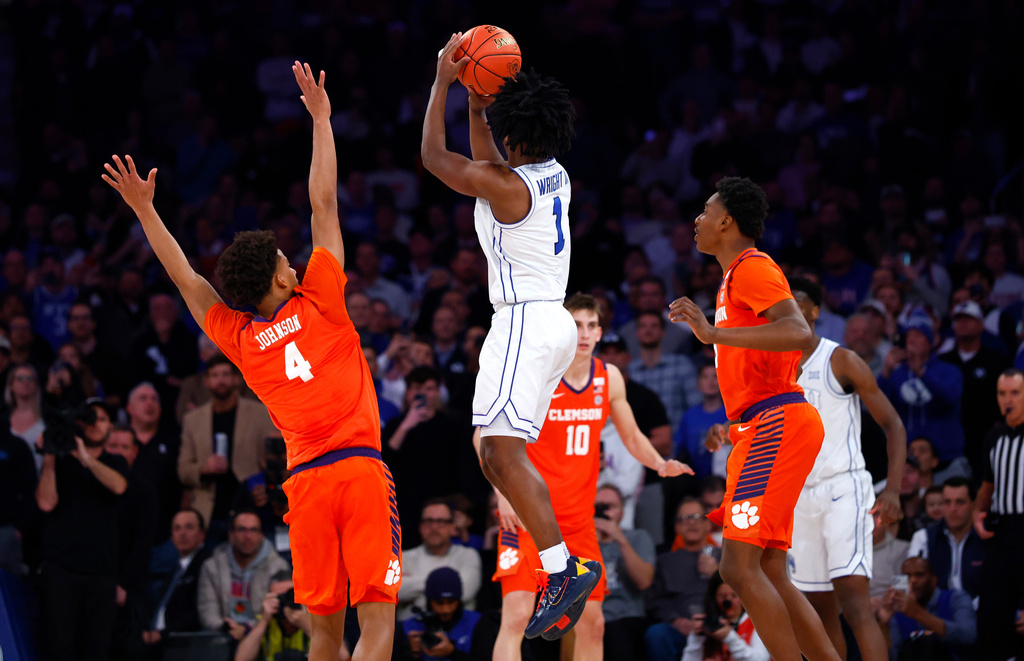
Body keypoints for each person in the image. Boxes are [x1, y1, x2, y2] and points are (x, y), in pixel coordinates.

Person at [102, 61, 401, 661]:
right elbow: (323, 203)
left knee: (323, 632)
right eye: (289, 258)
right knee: (378, 628)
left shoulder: (240, 340)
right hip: (360, 470)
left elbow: (186, 279)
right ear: (283, 275)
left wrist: (144, 211)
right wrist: (321, 121)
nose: (296, 259)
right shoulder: (322, 297)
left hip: (306, 486)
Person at [422, 34, 597, 639]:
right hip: (550, 324)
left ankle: (563, 568)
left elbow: (434, 159)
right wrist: (477, 106)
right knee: (495, 453)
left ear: (516, 138)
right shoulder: (553, 174)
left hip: (524, 320)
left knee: (498, 454)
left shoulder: (507, 185)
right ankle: (562, 565)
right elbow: (488, 159)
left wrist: (446, 82)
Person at [668, 177, 838, 661]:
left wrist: (711, 333)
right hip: (762, 424)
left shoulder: (751, 267)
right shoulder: (732, 278)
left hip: (775, 422)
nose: (697, 220)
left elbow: (799, 333)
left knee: (737, 569)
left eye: (705, 211)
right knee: (767, 569)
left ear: (726, 220)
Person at [484, 294, 691, 659]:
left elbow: (631, 435)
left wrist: (659, 463)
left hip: (579, 524)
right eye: (576, 325)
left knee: (594, 624)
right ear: (562, 329)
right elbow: (484, 435)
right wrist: (503, 494)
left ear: (600, 333)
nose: (583, 333)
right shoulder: (538, 372)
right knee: (516, 616)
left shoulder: (608, 378)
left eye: (591, 326)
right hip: (531, 518)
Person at [784, 275, 906, 661]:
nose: (791, 310)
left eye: (799, 302)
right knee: (817, 610)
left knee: (855, 602)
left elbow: (893, 425)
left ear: (816, 310)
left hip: (843, 490)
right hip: (800, 496)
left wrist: (893, 490)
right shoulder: (774, 369)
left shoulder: (840, 359)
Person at [35, 397, 129, 661]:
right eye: (89, 418)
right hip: (61, 569)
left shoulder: (115, 462)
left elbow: (119, 486)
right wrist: (51, 457)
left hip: (101, 572)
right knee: (59, 648)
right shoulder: (61, 462)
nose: (94, 424)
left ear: (111, 426)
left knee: (96, 650)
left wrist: (84, 456)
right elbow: (45, 502)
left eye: (101, 419)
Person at [178, 355, 279, 541]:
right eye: (214, 375)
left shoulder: (261, 413)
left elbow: (277, 460)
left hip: (251, 507)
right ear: (206, 381)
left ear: (236, 378)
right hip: (209, 511)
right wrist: (204, 469)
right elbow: (183, 469)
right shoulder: (192, 420)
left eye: (225, 374)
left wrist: (268, 486)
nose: (221, 380)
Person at [973, 368, 1024, 660]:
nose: (1008, 400)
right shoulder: (994, 437)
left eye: (1015, 393)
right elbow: (987, 485)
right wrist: (978, 513)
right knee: (992, 613)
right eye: (1003, 394)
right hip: (1002, 530)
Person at [644, 498, 722, 661]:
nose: (692, 523)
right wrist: (676, 621)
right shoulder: (665, 561)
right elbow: (655, 601)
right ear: (677, 527)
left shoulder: (724, 557)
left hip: (720, 625)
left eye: (697, 517)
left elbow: (741, 595)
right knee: (656, 634)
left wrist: (717, 574)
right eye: (685, 519)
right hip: (680, 629)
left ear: (708, 524)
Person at [198, 509, 291, 636]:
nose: (248, 536)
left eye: (253, 530)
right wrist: (225, 627)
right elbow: (207, 608)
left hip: (262, 636)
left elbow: (276, 610)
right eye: (242, 530)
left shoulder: (278, 567)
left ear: (261, 535)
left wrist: (246, 628)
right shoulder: (212, 567)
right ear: (231, 534)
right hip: (221, 634)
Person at [594, 484, 657, 661]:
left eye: (611, 506)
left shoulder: (637, 537)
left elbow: (644, 581)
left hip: (626, 619)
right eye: (598, 507)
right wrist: (590, 542)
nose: (604, 512)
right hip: (591, 618)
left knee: (615, 634)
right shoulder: (582, 541)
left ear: (622, 511)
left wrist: (620, 540)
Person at [878, 556, 976, 661]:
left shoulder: (955, 598)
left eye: (919, 575)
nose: (913, 580)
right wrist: (884, 625)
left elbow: (968, 636)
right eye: (907, 576)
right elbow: (893, 657)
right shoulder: (897, 611)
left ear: (933, 580)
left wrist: (918, 613)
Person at [397, 499, 481, 620]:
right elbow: (395, 592)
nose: (434, 527)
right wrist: (447, 587)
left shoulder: (468, 555)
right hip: (410, 632)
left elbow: (466, 592)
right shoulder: (403, 557)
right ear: (420, 526)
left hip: (459, 634)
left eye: (440, 521)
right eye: (429, 521)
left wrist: (412, 589)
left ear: (452, 526)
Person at [906, 477, 984, 601]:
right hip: (935, 612)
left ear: (973, 504)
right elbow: (910, 581)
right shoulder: (923, 538)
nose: (953, 509)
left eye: (960, 502)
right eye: (947, 502)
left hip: (981, 611)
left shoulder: (987, 538)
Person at [144, 509, 213, 647]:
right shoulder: (176, 568)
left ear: (202, 534)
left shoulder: (207, 565)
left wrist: (162, 634)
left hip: (183, 643)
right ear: (172, 536)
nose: (182, 534)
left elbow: (199, 613)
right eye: (177, 528)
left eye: (189, 527)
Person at [397, 567, 498, 661]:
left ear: (459, 600)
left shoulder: (478, 623)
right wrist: (410, 652)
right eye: (439, 603)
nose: (446, 610)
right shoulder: (409, 627)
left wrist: (452, 652)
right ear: (429, 601)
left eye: (451, 602)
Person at [683, 571, 770, 661]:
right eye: (723, 596)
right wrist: (696, 638)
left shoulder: (757, 623)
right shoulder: (709, 624)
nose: (728, 601)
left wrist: (729, 637)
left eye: (734, 596)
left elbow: (761, 659)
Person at [235, 569, 314, 661]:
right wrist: (264, 620)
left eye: (291, 594)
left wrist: (308, 627)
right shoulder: (266, 620)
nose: (287, 601)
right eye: (280, 597)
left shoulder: (314, 620)